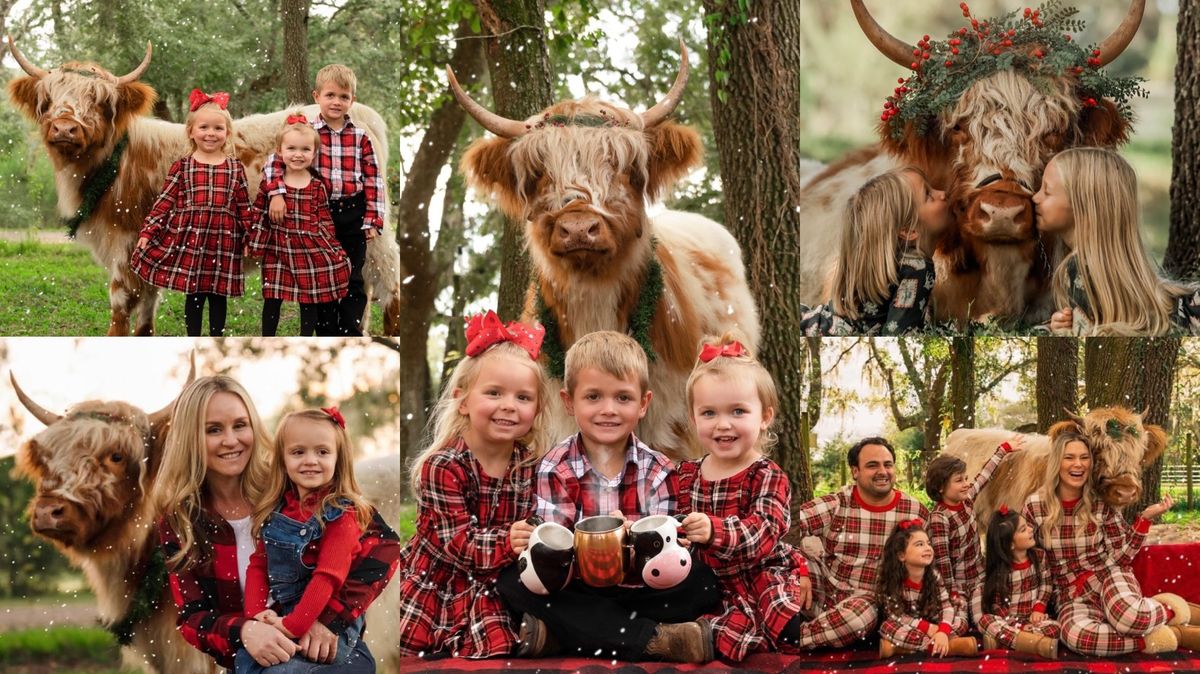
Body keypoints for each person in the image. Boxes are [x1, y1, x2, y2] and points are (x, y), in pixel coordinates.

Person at [496, 331, 721, 664]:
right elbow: (553, 552)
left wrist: (633, 539)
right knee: (512, 584)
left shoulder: (657, 468)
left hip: (640, 587)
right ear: (569, 402)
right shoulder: (554, 467)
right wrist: (591, 545)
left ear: (643, 404)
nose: (608, 410)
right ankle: (654, 639)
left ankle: (564, 634)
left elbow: (666, 548)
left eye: (623, 398)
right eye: (593, 397)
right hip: (577, 584)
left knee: (704, 584)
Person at [155, 376, 399, 671]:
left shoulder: (292, 487)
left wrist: (324, 620)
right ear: (190, 438)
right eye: (213, 430)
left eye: (240, 425)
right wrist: (247, 630)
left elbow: (383, 547)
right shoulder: (181, 519)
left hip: (323, 646)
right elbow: (192, 617)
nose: (231, 440)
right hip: (258, 658)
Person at [398, 311, 552, 658]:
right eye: (494, 393)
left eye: (523, 398)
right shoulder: (443, 467)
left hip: (502, 574)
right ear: (463, 400)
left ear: (538, 408)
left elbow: (541, 519)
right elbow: (459, 545)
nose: (509, 406)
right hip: (444, 579)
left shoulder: (530, 465)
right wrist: (509, 540)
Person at [675, 336, 810, 662]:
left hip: (762, 576)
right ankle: (690, 636)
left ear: (764, 416)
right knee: (689, 610)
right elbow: (674, 527)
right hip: (708, 582)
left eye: (738, 411)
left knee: (789, 627)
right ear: (694, 419)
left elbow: (763, 534)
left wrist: (713, 530)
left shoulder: (767, 474)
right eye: (709, 413)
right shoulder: (686, 474)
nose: (723, 424)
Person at [234, 407, 392, 673]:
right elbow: (258, 565)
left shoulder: (341, 514)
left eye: (322, 452)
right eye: (298, 452)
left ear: (338, 459)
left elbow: (327, 576)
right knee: (244, 661)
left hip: (326, 627)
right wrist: (256, 614)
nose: (310, 460)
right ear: (282, 460)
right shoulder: (276, 512)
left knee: (284, 672)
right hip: (287, 620)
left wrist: (293, 626)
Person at [1022, 425, 1199, 655]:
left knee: (1129, 617)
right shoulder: (1035, 506)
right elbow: (1032, 562)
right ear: (1057, 462)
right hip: (1071, 595)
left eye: (1084, 458)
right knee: (1077, 638)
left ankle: (1171, 609)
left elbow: (1121, 557)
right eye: (1070, 458)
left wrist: (1144, 519)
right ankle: (1160, 637)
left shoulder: (1100, 502)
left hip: (1108, 576)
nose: (1078, 464)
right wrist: (1036, 605)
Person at [260, 65, 384, 336]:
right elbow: (275, 161)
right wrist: (276, 192)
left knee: (352, 275)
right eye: (330, 95)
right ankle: (326, 329)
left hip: (353, 211)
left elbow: (374, 180)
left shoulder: (361, 138)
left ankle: (349, 329)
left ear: (352, 100)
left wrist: (373, 219)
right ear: (317, 96)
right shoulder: (308, 134)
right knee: (323, 274)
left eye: (343, 96)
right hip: (320, 214)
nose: (336, 102)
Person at [1037, 147, 1200, 335]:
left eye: (1047, 192)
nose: (1035, 197)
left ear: (1082, 206)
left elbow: (1085, 337)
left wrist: (1053, 332)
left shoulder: (1077, 269)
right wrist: (1061, 325)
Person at [786, 437, 929, 649]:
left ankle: (793, 637)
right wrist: (800, 568)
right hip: (826, 589)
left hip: (868, 603)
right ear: (855, 472)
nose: (882, 471)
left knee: (857, 619)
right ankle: (791, 624)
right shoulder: (837, 504)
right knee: (782, 569)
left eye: (887, 465)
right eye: (872, 465)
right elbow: (786, 524)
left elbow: (931, 558)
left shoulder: (914, 511)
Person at [131, 89, 252, 336]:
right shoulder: (182, 167)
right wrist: (148, 231)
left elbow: (243, 208)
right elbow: (163, 203)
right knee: (195, 293)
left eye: (218, 129)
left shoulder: (235, 168)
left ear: (227, 133)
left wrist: (249, 236)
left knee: (218, 295)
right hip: (192, 240)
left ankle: (216, 336)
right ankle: (193, 336)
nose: (211, 133)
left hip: (223, 241)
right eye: (204, 127)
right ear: (191, 132)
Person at [800, 167, 951, 335]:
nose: (943, 193)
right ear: (908, 230)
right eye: (928, 195)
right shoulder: (918, 268)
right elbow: (900, 334)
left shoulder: (890, 262)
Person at [247, 114, 350, 336]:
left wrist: (332, 247)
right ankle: (268, 336)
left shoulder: (317, 187)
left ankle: (306, 336)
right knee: (272, 297)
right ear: (280, 151)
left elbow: (325, 220)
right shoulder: (272, 185)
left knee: (309, 298)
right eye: (292, 148)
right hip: (278, 249)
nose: (298, 154)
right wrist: (254, 243)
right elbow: (258, 215)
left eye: (305, 150)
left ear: (314, 154)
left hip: (308, 250)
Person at [925, 439, 1020, 621]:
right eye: (959, 480)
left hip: (977, 579)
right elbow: (942, 560)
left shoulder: (966, 500)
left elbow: (984, 476)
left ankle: (1004, 635)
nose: (966, 483)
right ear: (940, 487)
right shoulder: (939, 518)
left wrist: (1003, 450)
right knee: (957, 620)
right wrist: (951, 592)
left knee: (982, 617)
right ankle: (952, 639)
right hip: (956, 585)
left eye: (966, 478)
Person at [875, 519, 976, 657]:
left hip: (934, 619)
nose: (928, 548)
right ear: (901, 555)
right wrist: (927, 628)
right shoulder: (892, 581)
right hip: (910, 624)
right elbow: (896, 615)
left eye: (928, 543)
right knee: (887, 627)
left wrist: (942, 630)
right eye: (919, 544)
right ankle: (951, 646)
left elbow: (946, 606)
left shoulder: (934, 576)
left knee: (960, 620)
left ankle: (903, 648)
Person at [972, 506, 1060, 658]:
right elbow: (997, 605)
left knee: (1056, 627)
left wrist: (1039, 608)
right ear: (1010, 544)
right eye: (1023, 529)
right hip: (1008, 620)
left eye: (1028, 526)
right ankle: (1032, 643)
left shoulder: (1039, 557)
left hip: (1033, 619)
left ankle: (1004, 641)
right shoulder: (1002, 570)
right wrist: (1016, 625)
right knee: (986, 620)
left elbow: (1046, 585)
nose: (1031, 529)